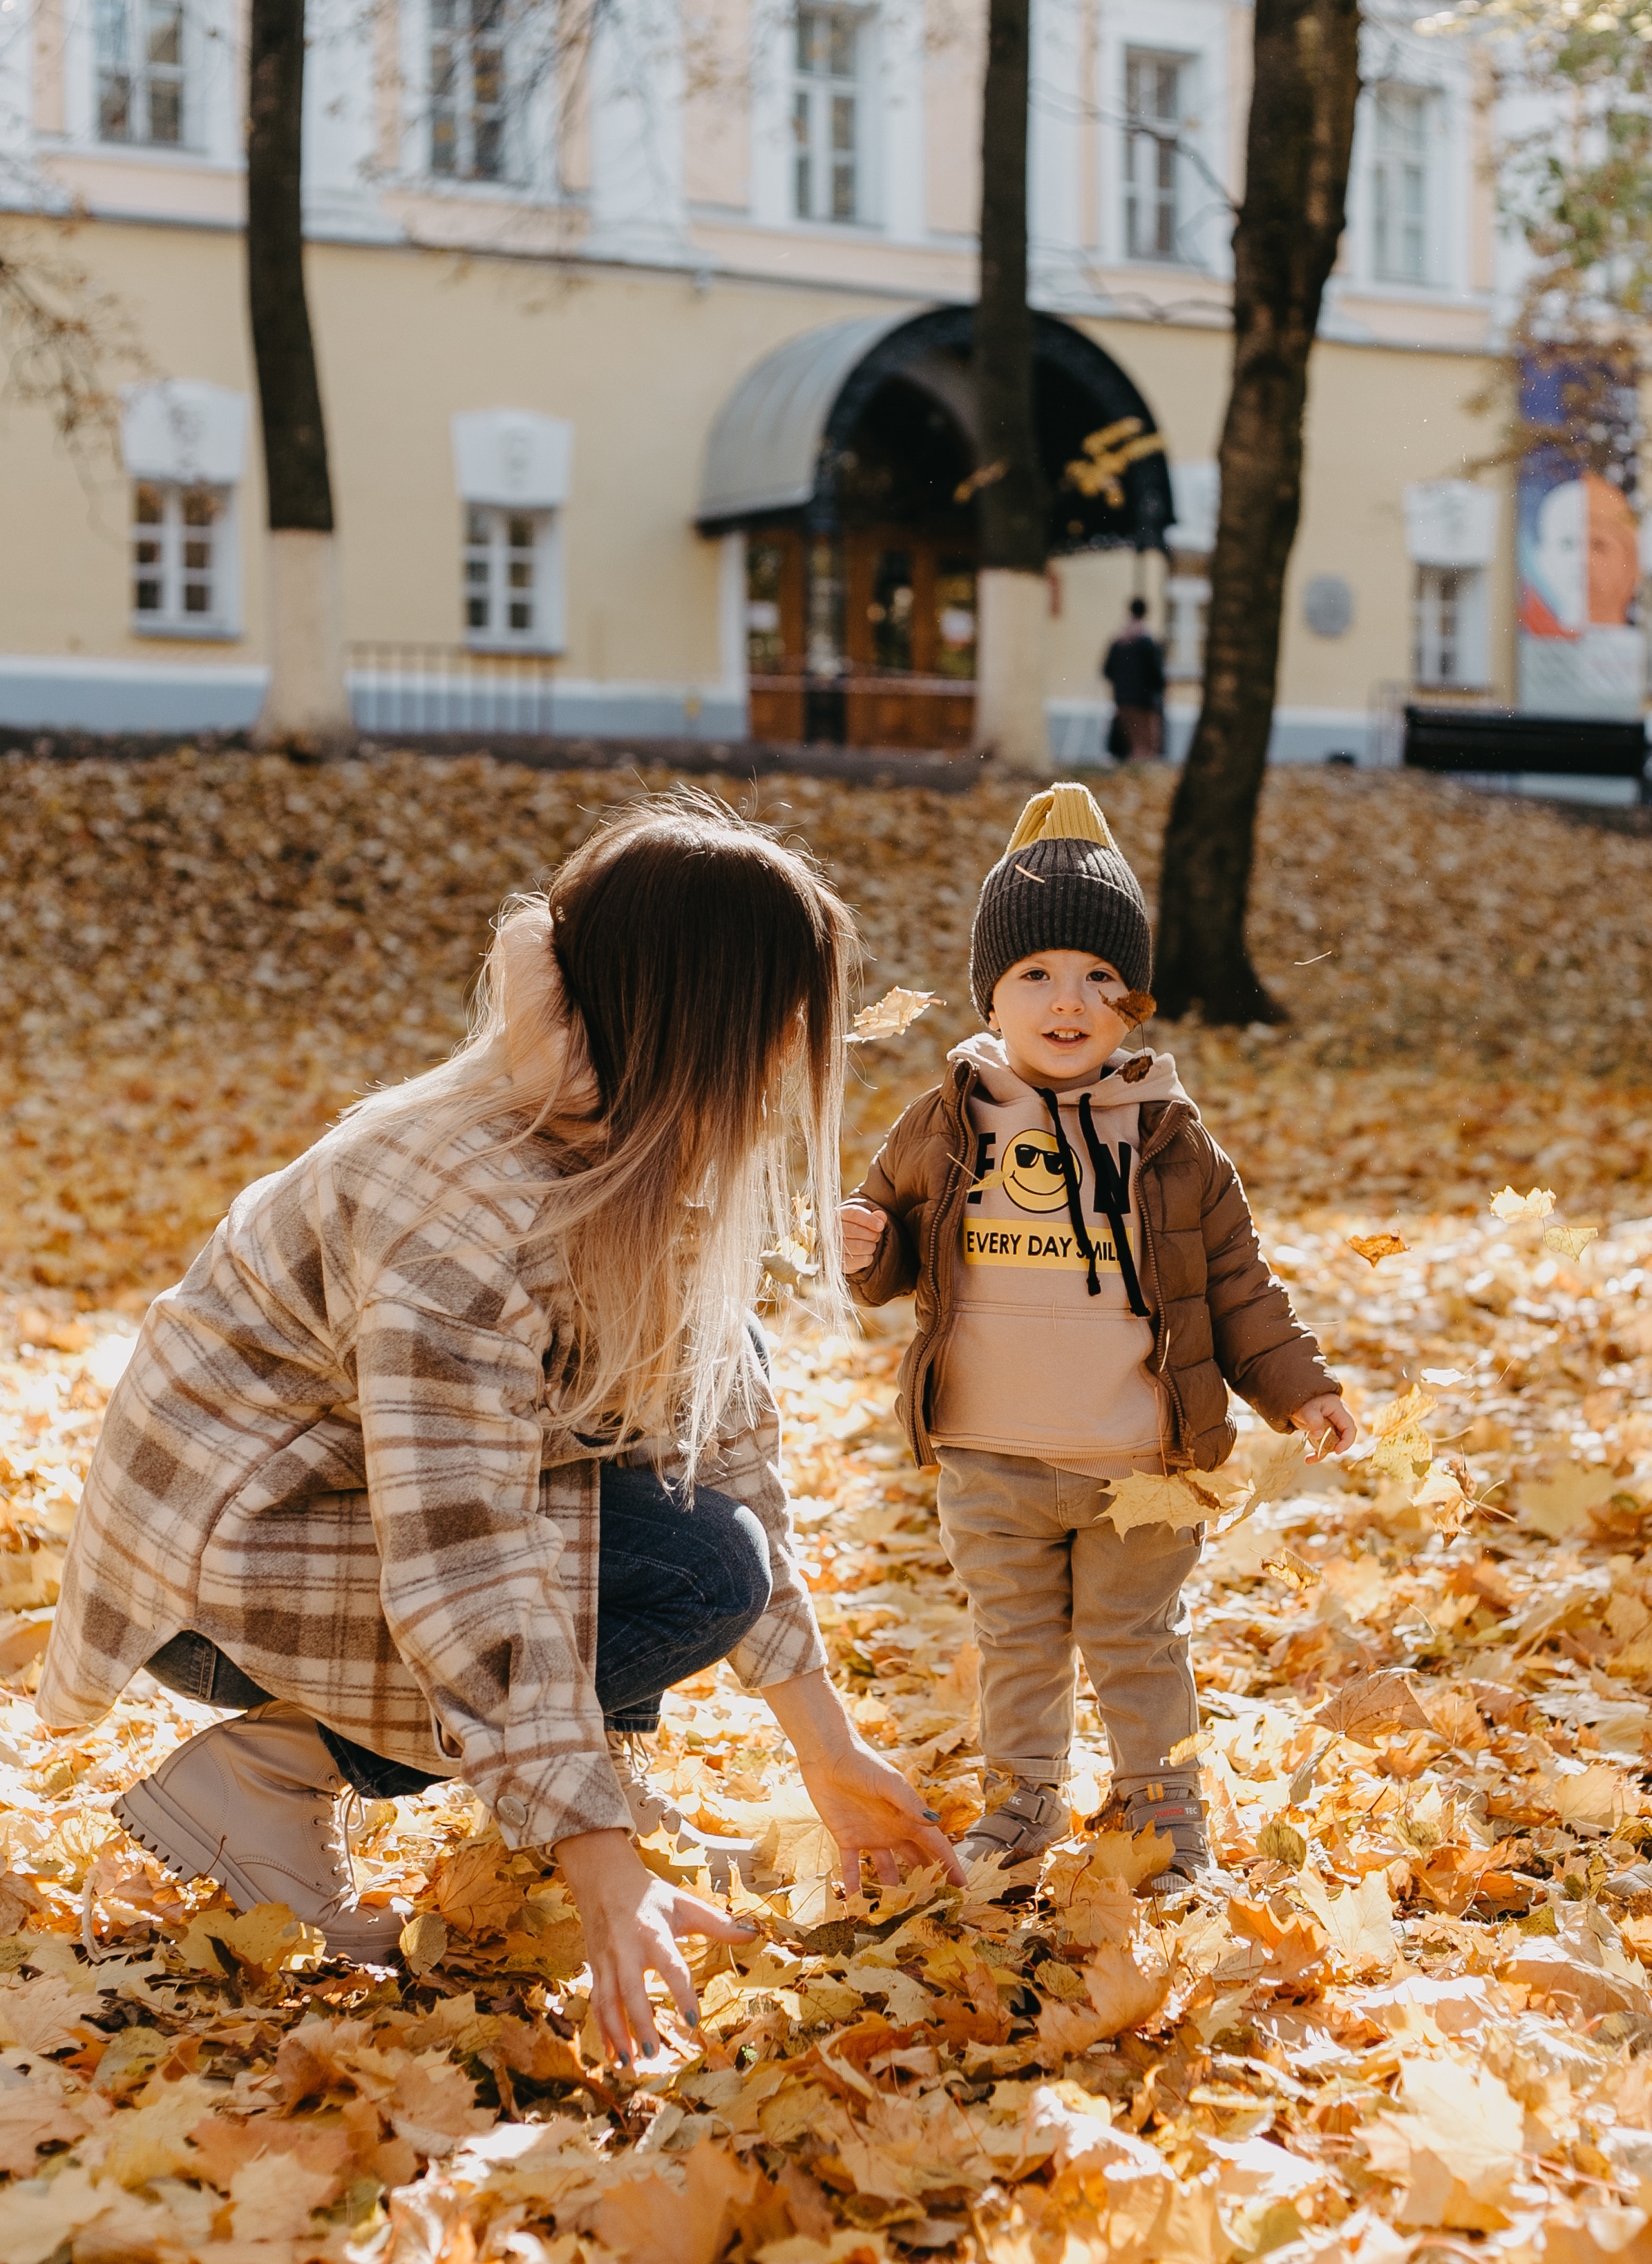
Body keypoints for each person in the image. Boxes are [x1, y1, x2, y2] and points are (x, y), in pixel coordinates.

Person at [39, 795, 962, 2062]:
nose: (797, 1051)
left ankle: (582, 1783)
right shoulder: (467, 1199)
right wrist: (598, 1872)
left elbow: (720, 1445)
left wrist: (830, 1750)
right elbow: (462, 1552)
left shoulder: (642, 1148)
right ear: (701, 1020)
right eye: (781, 1018)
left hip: (352, 1523)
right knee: (698, 1572)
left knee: (699, 1515)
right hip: (228, 1571)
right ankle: (264, 1775)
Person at [839, 783, 1354, 1893]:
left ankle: (1161, 1820)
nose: (1065, 1000)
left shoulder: (1171, 1140)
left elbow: (1236, 1284)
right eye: (1035, 974)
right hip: (990, 1455)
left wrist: (1297, 1386)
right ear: (991, 990)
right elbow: (889, 1254)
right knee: (1017, 1644)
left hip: (1139, 1460)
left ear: (1135, 1003)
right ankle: (1020, 1800)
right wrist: (862, 1242)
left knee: (1136, 1644)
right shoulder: (946, 1119)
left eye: (1098, 978)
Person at [1102, 597, 1166, 760]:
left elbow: (1107, 670)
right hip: (1144, 701)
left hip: (1122, 699)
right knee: (1146, 745)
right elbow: (1155, 673)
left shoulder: (1119, 640)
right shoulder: (1147, 641)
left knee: (1131, 742)